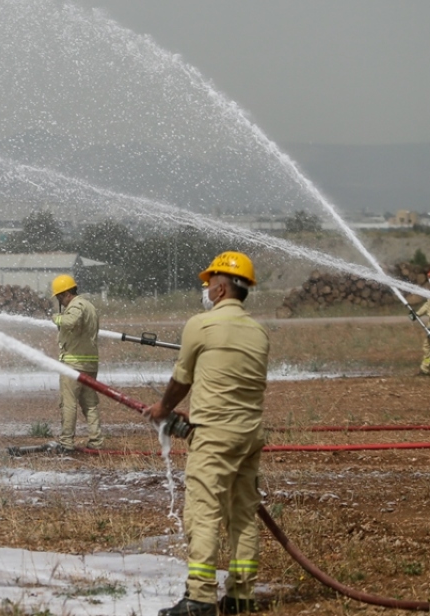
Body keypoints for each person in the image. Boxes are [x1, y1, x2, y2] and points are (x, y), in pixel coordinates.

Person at [145, 251, 269, 616]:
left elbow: (182, 378)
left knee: (203, 513)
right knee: (243, 514)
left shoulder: (201, 324)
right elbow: (227, 382)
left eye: (208, 283)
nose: (205, 289)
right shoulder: (259, 331)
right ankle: (241, 595)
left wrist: (162, 410)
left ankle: (199, 597)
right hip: (247, 435)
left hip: (213, 437)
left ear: (219, 287)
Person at [50, 274, 103, 451]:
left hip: (74, 363)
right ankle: (96, 441)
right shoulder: (90, 306)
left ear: (65, 293)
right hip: (90, 364)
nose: (59, 301)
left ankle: (66, 443)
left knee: (69, 403)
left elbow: (70, 321)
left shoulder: (76, 306)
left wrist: (56, 318)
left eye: (59, 296)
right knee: (90, 404)